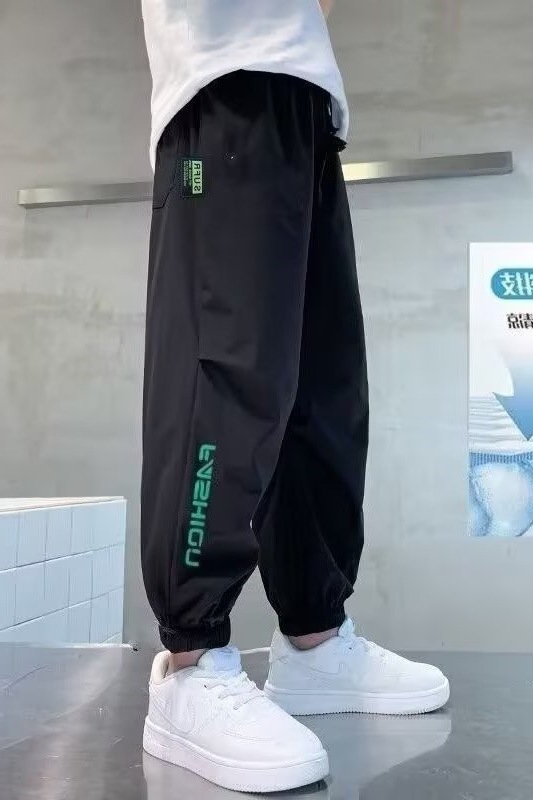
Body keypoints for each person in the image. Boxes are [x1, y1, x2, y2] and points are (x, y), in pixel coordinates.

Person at [140, 0, 450, 793]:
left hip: (306, 99)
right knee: (223, 373)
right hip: (220, 87)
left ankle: (314, 639)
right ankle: (189, 663)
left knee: (320, 390)